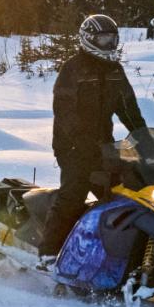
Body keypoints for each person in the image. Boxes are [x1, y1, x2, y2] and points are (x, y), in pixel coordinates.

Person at [38, 14, 146, 257]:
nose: (109, 45)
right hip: (73, 146)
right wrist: (80, 142)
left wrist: (145, 138)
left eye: (112, 40)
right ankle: (48, 253)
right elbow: (64, 111)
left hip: (104, 146)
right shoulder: (73, 69)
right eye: (104, 39)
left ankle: (120, 252)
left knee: (123, 195)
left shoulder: (115, 71)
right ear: (88, 39)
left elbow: (128, 108)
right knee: (73, 194)